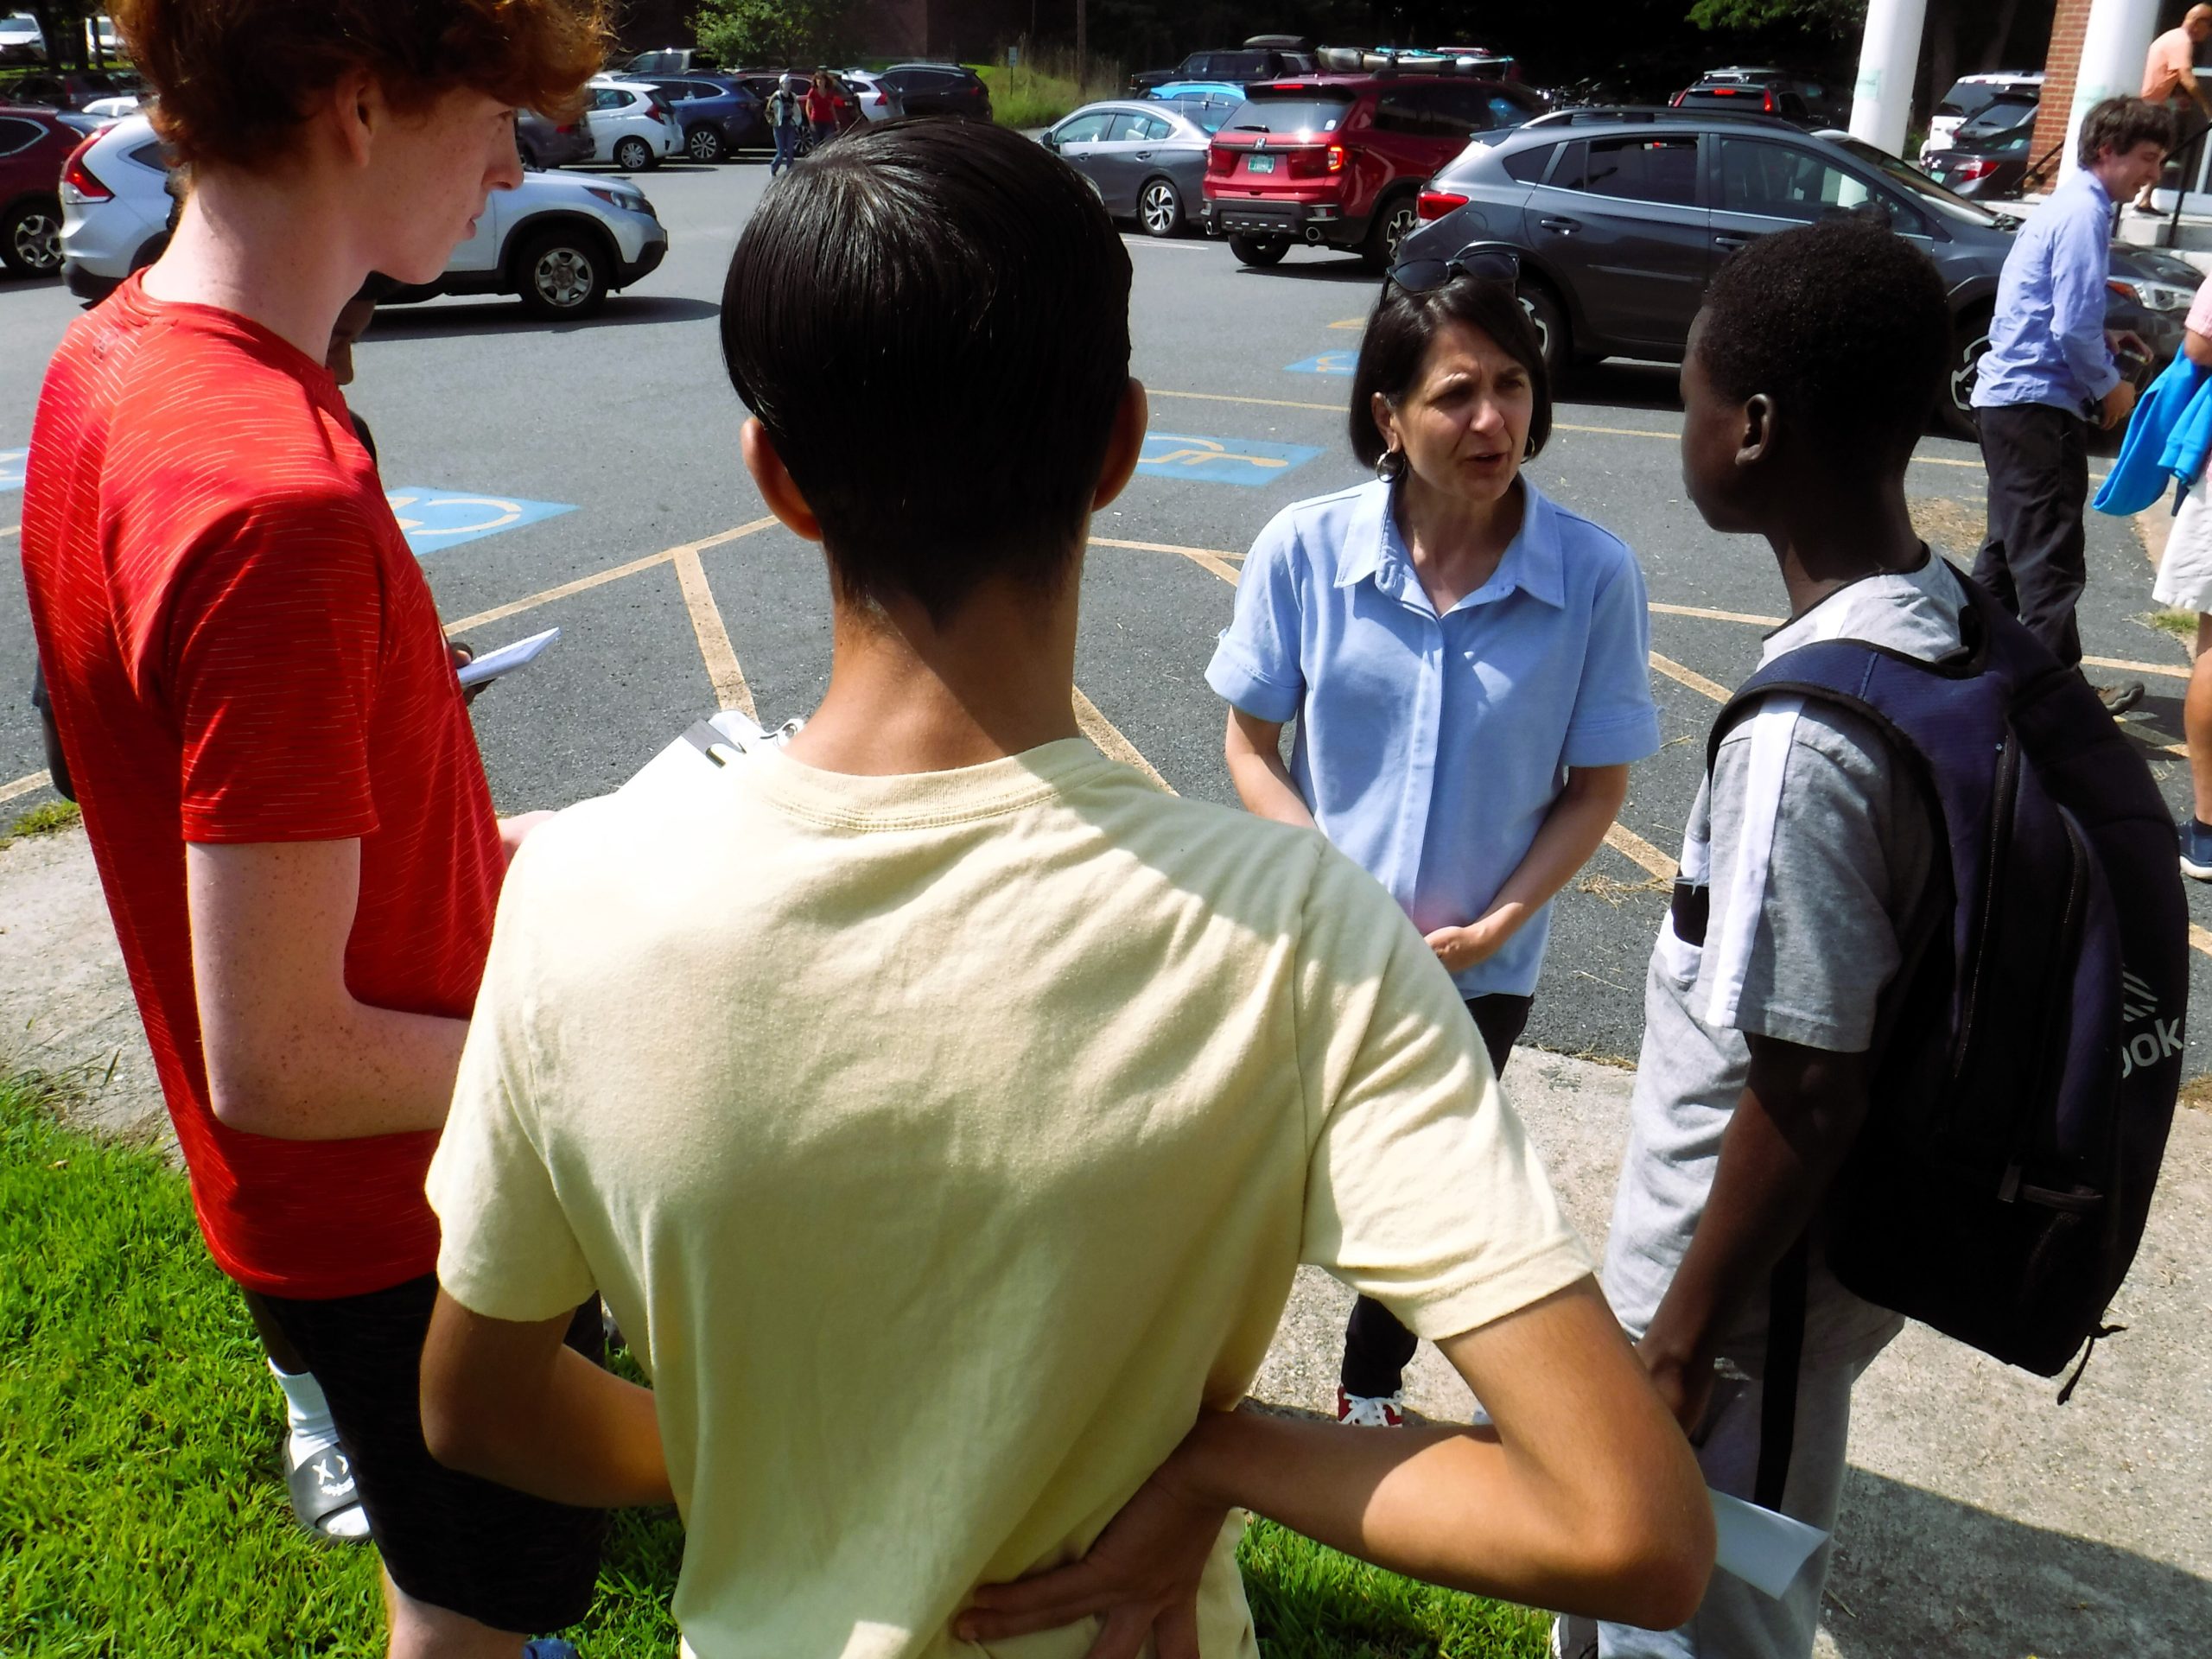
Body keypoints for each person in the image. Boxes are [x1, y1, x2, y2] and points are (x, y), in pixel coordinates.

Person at [415, 118, 1713, 1657]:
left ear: (778, 478)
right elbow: (1629, 1526)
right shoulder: (1302, 943)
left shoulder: (580, 895)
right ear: (1121, 446)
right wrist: (1235, 1455)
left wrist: (787, 1467)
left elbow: (475, 1404)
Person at [19, 2, 609, 1653]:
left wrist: (520, 857)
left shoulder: (117, 358)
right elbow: (276, 1054)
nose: (510, 168)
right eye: (497, 120)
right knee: (493, 1609)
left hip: (331, 1211)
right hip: (398, 1211)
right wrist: (598, 1030)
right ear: (362, 105)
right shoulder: (268, 494)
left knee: (444, 1576)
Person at [1574, 218, 1959, 1659]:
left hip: (1740, 1310)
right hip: (1806, 1295)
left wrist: (1677, 1352)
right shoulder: (1942, 617)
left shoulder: (1807, 735)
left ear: (1754, 428)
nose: (1684, 424)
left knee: (1687, 1618)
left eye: (1688, 396)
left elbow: (1807, 1081)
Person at [1208, 248, 1661, 1428]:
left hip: (1481, 968)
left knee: (1429, 1188)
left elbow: (1596, 782)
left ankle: (1369, 1384)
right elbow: (1250, 744)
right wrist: (1320, 879)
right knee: (1264, 1174)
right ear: (1387, 416)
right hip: (1318, 949)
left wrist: (1510, 915)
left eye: (1510, 385)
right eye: (1455, 392)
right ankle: (1203, 1383)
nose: (1490, 417)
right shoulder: (1305, 553)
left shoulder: (1595, 577)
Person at [1971, 95, 2171, 716]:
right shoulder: (2084, 212)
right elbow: (2072, 326)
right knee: (2049, 555)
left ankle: (1973, 670)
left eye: (2161, 161)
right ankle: (2054, 699)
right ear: (2106, 150)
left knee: (2007, 551)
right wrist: (2110, 384)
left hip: (2009, 401)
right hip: (2036, 404)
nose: (2154, 174)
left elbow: (2054, 313)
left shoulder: (2068, 204)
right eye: (2146, 157)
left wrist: (2105, 341)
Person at [2137, 4, 2212, 211]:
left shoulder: (2169, 37)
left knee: (2159, 152)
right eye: (2210, 27)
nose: (2209, 33)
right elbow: (2186, 77)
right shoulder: (2181, 41)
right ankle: (2137, 197)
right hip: (2148, 109)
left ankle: (2144, 199)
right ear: (2199, 23)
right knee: (2150, 153)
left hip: (2152, 106)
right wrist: (2208, 109)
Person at [765, 73, 802, 176]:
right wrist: (773, 122)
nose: (788, 85)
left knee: (790, 152)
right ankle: (774, 168)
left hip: (790, 125)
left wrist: (796, 121)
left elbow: (796, 110)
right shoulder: (776, 97)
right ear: (781, 84)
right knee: (781, 153)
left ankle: (790, 172)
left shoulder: (793, 97)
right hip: (779, 126)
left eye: (789, 83)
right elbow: (768, 112)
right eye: (786, 83)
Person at [803, 69, 838, 149]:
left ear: (825, 81)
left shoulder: (829, 92)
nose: (820, 81)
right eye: (818, 79)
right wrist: (811, 122)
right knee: (817, 144)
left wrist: (836, 121)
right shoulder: (813, 92)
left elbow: (832, 108)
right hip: (816, 120)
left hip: (828, 120)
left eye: (821, 79)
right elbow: (808, 108)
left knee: (829, 141)